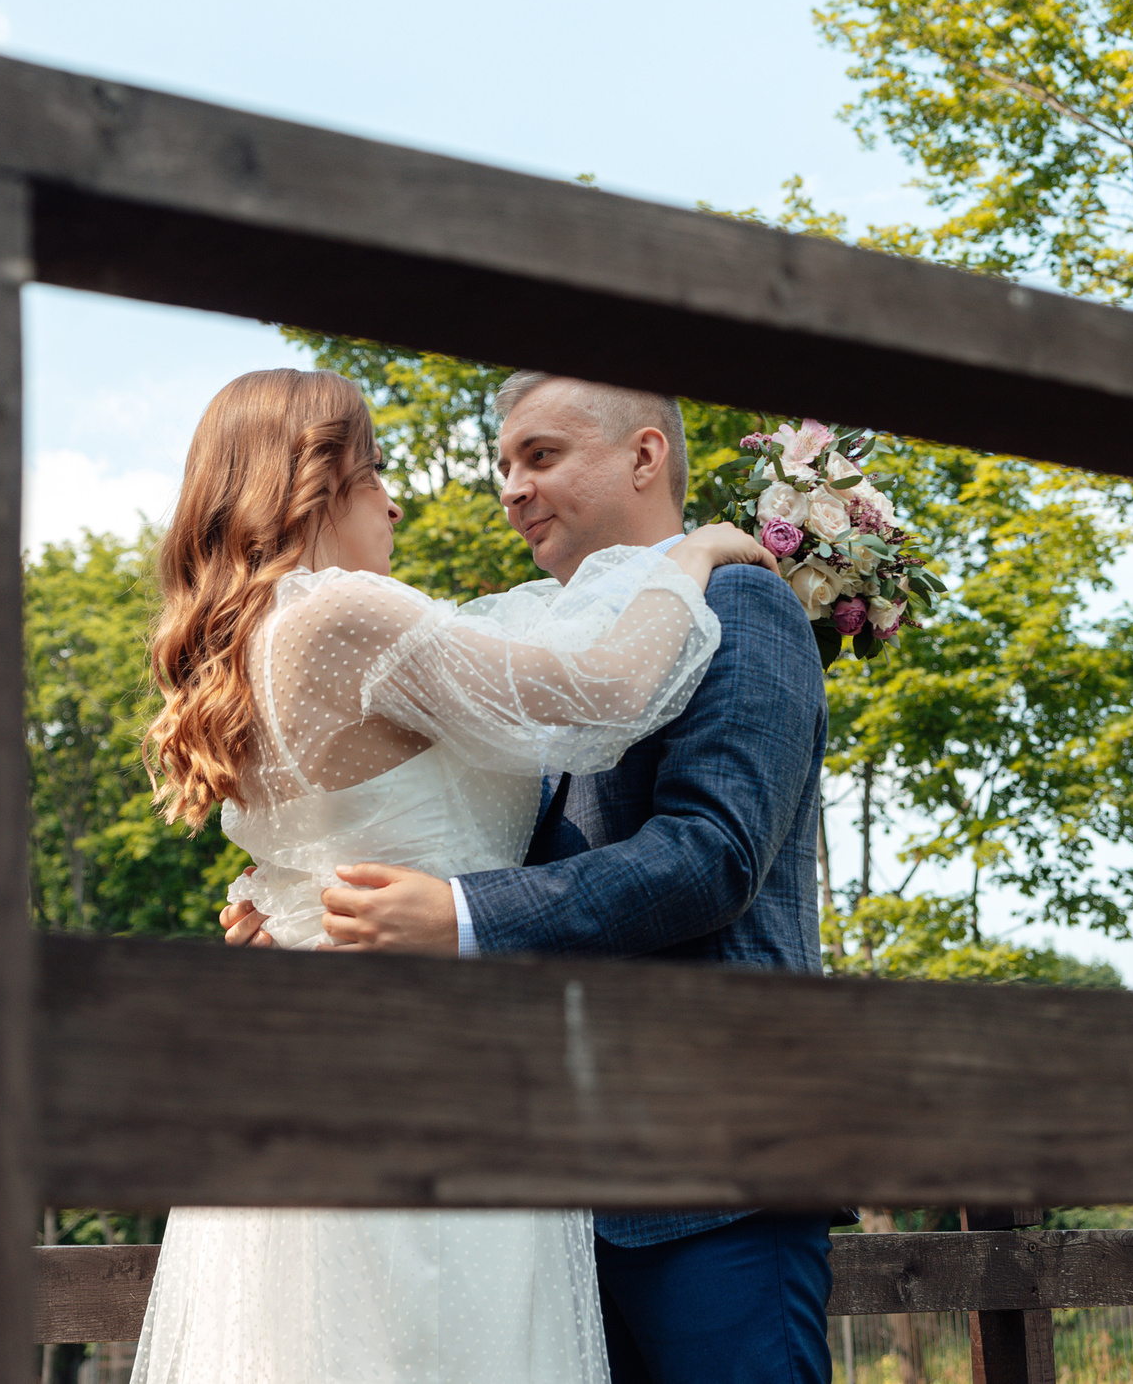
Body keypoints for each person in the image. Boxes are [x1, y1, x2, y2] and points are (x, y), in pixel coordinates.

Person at [130, 367, 771, 1384]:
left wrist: (272, 914)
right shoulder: (340, 616)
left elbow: (302, 860)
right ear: (311, 482)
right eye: (373, 468)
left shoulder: (249, 646)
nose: (395, 495)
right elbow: (604, 696)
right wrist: (687, 554)